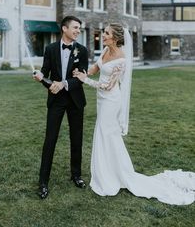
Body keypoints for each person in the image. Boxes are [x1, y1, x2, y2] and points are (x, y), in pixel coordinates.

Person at [74, 23, 195, 205]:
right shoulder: (105, 51)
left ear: (115, 38)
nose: (103, 35)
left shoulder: (121, 60)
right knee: (105, 135)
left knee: (107, 134)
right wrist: (82, 72)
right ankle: (108, 172)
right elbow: (95, 68)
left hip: (111, 100)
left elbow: (108, 86)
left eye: (106, 33)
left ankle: (115, 175)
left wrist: (86, 81)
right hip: (101, 101)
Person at [34, 16, 88, 199]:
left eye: (79, 28)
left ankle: (76, 175)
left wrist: (63, 83)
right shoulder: (50, 49)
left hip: (75, 100)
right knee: (50, 140)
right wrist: (42, 79)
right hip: (56, 101)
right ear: (64, 29)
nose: (78, 31)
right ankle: (43, 182)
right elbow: (46, 74)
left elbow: (81, 78)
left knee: (76, 139)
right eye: (75, 27)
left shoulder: (82, 50)